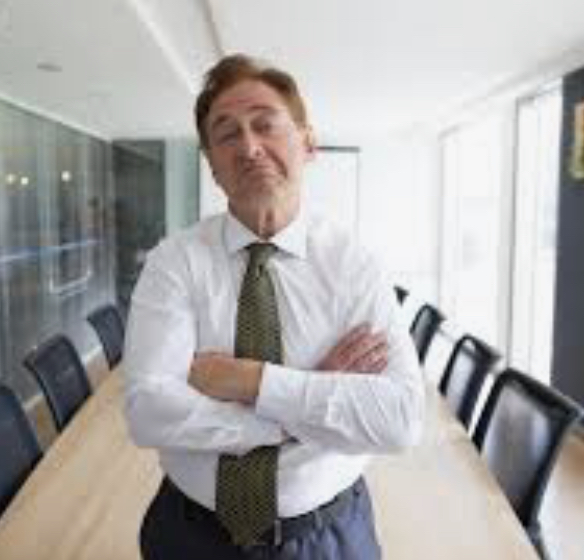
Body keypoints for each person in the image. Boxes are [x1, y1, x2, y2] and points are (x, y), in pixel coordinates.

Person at [123, 53, 424, 560]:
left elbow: (399, 419)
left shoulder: (355, 266)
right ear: (212, 164)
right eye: (227, 134)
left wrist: (250, 381)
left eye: (265, 124)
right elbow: (148, 411)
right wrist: (291, 413)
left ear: (308, 143)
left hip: (325, 538)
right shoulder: (174, 262)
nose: (249, 147)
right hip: (192, 537)